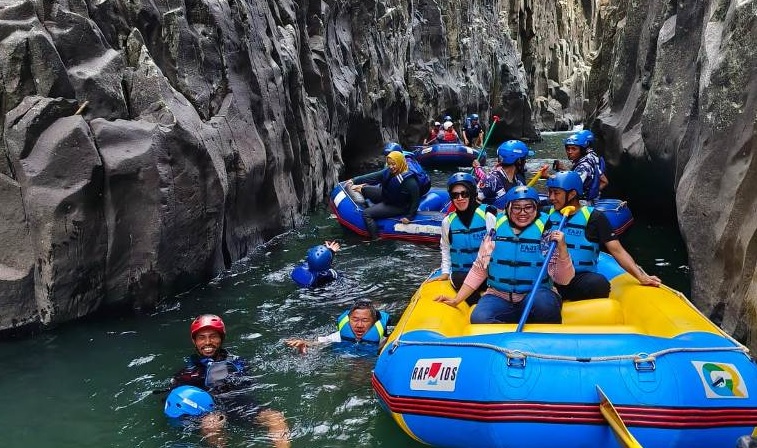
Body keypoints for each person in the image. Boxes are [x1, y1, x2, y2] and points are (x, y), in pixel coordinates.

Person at [435, 186, 572, 324]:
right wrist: (457, 300)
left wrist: (563, 250)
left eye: (528, 207)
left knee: (544, 305)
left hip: (535, 296)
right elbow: (479, 270)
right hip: (499, 296)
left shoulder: (546, 233)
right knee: (479, 318)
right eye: (517, 207)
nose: (522, 213)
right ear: (508, 209)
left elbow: (564, 280)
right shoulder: (495, 231)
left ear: (536, 208)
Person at [169, 314, 290, 448]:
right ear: (195, 341)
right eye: (201, 338)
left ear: (221, 338)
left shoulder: (237, 362)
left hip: (242, 406)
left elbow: (250, 387)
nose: (208, 342)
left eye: (213, 336)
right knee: (212, 424)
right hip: (211, 412)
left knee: (275, 418)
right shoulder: (187, 373)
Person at [544, 171, 661, 301]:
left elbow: (617, 250)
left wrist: (642, 277)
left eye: (556, 193)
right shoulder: (546, 215)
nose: (551, 197)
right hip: (550, 277)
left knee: (598, 284)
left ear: (572, 194)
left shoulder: (594, 217)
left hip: (578, 278)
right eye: (550, 192)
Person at [433, 172, 497, 305]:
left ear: (472, 193)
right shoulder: (448, 222)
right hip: (461, 275)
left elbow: (498, 247)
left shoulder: (487, 216)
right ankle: (476, 305)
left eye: (464, 193)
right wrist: (445, 271)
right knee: (460, 277)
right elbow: (445, 248)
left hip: (487, 275)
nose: (460, 198)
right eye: (455, 195)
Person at [346, 151, 421, 240]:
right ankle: (361, 189)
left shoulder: (409, 181)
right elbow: (373, 176)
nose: (391, 167)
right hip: (389, 196)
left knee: (366, 214)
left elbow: (416, 199)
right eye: (389, 164)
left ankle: (376, 239)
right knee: (365, 189)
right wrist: (354, 180)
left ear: (400, 162)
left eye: (394, 164)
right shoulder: (388, 171)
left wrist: (409, 217)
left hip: (398, 206)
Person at [285, 300, 390, 354]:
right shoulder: (339, 336)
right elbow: (318, 343)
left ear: (374, 322)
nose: (359, 325)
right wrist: (304, 343)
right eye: (355, 320)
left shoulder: (384, 340)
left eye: (365, 320)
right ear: (348, 320)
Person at [476, 140, 532, 208]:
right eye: (524, 159)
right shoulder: (491, 180)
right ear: (519, 161)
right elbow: (474, 204)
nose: (525, 162)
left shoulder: (518, 181)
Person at [560, 130, 608, 201]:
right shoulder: (592, 157)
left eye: (574, 149)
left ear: (582, 149)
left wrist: (549, 177)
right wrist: (593, 193)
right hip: (591, 199)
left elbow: (570, 186)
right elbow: (604, 181)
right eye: (568, 149)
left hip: (582, 203)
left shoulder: (584, 165)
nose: (570, 152)